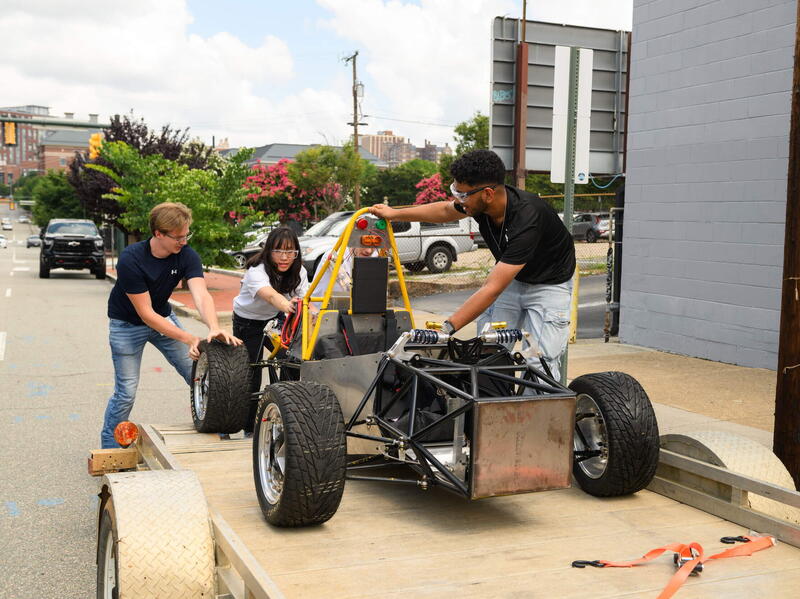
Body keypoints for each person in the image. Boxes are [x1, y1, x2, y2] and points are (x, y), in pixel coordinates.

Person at [369, 149, 576, 380]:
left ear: (487, 193)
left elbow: (492, 288)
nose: (459, 199)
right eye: (456, 191)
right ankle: (495, 411)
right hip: (514, 280)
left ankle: (539, 414)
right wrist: (394, 214)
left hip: (549, 285)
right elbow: (445, 210)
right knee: (489, 353)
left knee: (538, 362)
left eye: (463, 194)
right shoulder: (479, 204)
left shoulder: (527, 217)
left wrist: (446, 328)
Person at [102, 202, 241, 448]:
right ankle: (110, 450)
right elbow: (145, 314)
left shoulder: (186, 254)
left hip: (163, 317)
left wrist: (212, 326)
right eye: (178, 237)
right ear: (158, 234)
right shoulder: (131, 259)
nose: (184, 241)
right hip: (127, 325)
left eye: (187, 235)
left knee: (198, 375)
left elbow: (201, 294)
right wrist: (188, 338)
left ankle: (218, 433)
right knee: (126, 392)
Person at [232, 227, 310, 425]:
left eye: (290, 252)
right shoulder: (256, 270)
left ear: (296, 253)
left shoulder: (299, 270)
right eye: (278, 252)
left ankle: (284, 411)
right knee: (252, 370)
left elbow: (306, 299)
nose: (284, 258)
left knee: (290, 360)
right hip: (247, 321)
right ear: (268, 251)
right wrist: (287, 305)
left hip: (275, 319)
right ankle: (248, 425)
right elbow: (269, 294)